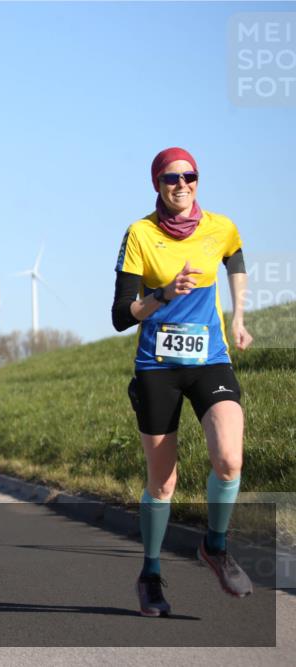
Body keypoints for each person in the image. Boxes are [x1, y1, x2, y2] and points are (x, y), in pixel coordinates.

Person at [112, 147, 253, 617]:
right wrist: (163, 294)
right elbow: (121, 315)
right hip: (157, 367)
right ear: (157, 183)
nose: (182, 184)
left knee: (229, 459)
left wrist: (239, 316)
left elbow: (234, 259)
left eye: (189, 176)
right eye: (171, 178)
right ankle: (150, 573)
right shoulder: (140, 234)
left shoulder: (220, 226)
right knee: (163, 482)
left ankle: (215, 546)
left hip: (210, 359)